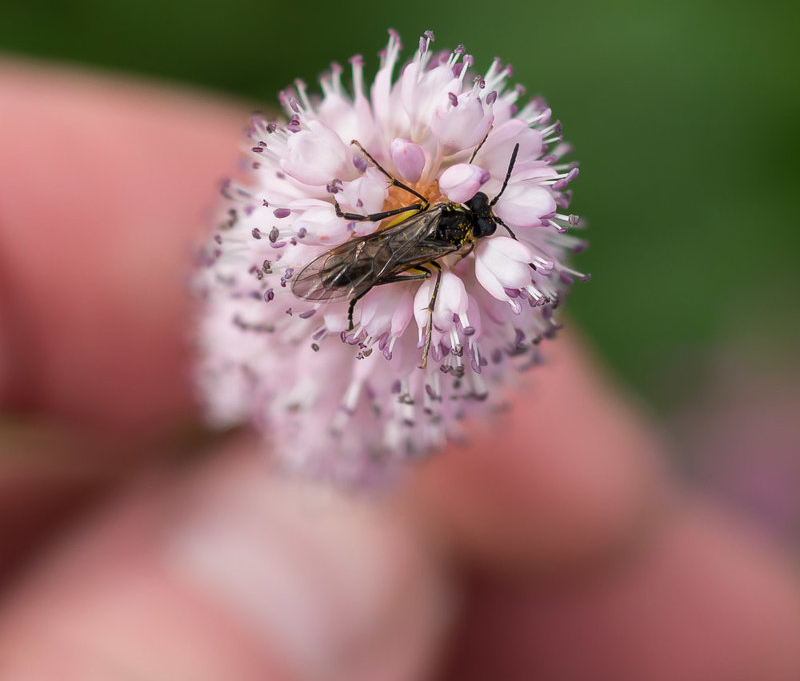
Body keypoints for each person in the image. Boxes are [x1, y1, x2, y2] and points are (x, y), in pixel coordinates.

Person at [0, 59, 798, 680]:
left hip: (330, 350)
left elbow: (406, 260)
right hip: (292, 328)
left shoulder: (450, 261)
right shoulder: (420, 223)